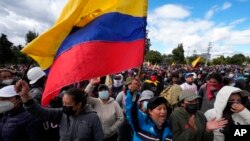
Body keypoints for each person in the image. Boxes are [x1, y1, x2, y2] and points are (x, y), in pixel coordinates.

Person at [15, 80, 104, 141]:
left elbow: (99, 138)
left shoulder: (93, 117)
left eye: (67, 103)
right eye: (63, 103)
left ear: (78, 105)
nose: (64, 106)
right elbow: (40, 112)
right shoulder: (62, 114)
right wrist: (25, 95)